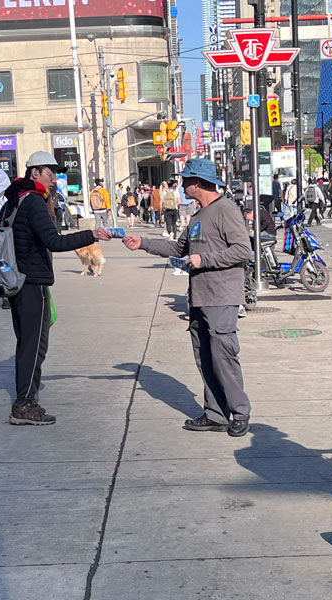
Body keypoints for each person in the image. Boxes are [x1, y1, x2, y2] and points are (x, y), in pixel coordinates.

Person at [121, 158, 254, 437]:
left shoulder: (225, 209)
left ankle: (240, 411)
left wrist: (204, 260)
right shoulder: (197, 216)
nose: (181, 185)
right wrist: (143, 243)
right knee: (205, 358)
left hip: (221, 297)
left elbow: (243, 250)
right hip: (199, 298)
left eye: (185, 180)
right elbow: (178, 249)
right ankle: (215, 414)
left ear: (198, 182)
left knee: (223, 356)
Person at [3, 151, 112, 426]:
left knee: (26, 343)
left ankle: (25, 399)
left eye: (55, 174)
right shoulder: (33, 201)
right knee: (34, 346)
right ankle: (24, 405)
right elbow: (54, 241)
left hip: (16, 280)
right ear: (34, 172)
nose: (54, 179)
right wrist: (91, 235)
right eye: (50, 173)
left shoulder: (15, 198)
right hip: (31, 281)